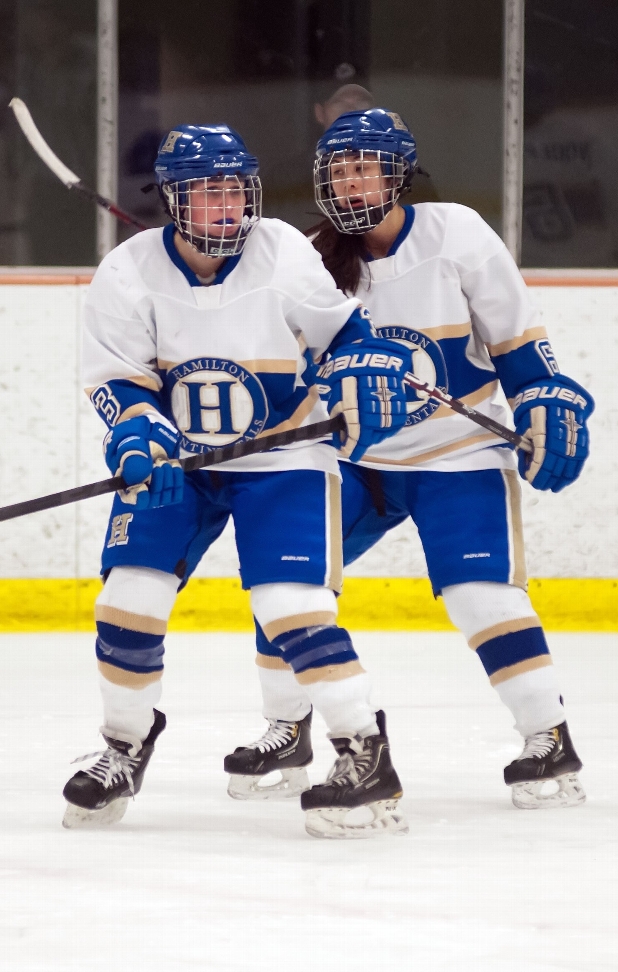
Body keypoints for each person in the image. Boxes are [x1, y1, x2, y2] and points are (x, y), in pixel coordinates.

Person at [225, 108, 594, 811]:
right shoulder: (312, 258)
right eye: (337, 169)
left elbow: (517, 338)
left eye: (363, 165)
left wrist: (542, 394)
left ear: (398, 173)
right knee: (289, 578)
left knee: (481, 595)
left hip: (459, 454)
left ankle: (548, 735)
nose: (351, 180)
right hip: (357, 459)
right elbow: (291, 355)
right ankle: (289, 727)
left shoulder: (456, 233)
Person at [62, 122, 412, 839]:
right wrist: (137, 435)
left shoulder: (282, 251)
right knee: (127, 599)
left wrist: (365, 372)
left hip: (282, 456)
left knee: (291, 605)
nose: (228, 206)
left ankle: (362, 751)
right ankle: (124, 744)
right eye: (207, 192)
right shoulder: (125, 273)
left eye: (235, 189)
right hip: (181, 463)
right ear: (172, 199)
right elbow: (120, 383)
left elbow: (345, 336)